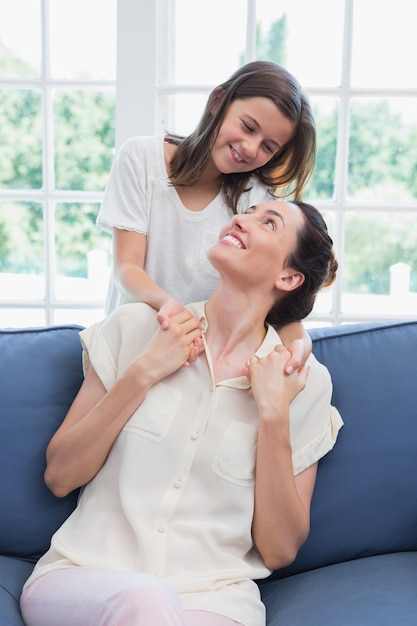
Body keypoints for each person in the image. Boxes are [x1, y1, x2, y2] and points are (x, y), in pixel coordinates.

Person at [20, 199, 343, 626]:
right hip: (84, 576)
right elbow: (60, 476)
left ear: (288, 276)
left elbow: (279, 549)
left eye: (268, 222)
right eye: (246, 211)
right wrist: (144, 371)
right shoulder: (137, 329)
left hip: (214, 601)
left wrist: (273, 415)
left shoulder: (302, 382)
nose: (241, 219)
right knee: (145, 600)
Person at [97, 60, 317, 373]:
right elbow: (127, 269)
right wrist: (169, 306)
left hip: (199, 367)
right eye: (248, 127)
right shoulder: (140, 159)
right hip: (130, 349)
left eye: (268, 146)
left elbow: (271, 296)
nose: (251, 148)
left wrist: (300, 341)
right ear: (218, 102)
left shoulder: (258, 200)